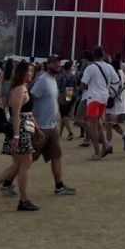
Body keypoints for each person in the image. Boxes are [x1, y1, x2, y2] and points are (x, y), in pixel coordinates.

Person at [0, 61, 40, 211]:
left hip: (23, 128)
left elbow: (28, 113)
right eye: (28, 72)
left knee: (18, 166)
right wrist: (17, 137)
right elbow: (16, 115)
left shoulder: (22, 88)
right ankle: (23, 200)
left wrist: (38, 129)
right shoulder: (19, 90)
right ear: (21, 74)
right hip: (20, 130)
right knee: (25, 164)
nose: (31, 75)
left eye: (32, 72)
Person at [30, 55, 76, 195]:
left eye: (59, 63)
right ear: (48, 64)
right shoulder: (43, 80)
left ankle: (59, 186)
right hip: (41, 127)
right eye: (54, 63)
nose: (57, 65)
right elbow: (31, 100)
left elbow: (53, 99)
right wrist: (35, 124)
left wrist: (65, 100)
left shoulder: (53, 79)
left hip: (51, 126)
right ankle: (7, 183)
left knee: (56, 156)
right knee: (28, 159)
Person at [79, 46, 118, 160]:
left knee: (93, 127)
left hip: (93, 98)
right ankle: (105, 145)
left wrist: (78, 88)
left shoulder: (90, 68)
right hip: (104, 98)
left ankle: (97, 153)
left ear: (93, 55)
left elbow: (83, 84)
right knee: (99, 124)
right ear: (103, 55)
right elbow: (116, 81)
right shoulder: (109, 67)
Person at [57, 61, 78, 140]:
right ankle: (60, 133)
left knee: (64, 115)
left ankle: (70, 132)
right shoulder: (72, 76)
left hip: (63, 94)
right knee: (64, 114)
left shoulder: (61, 75)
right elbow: (75, 86)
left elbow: (58, 85)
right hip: (70, 93)